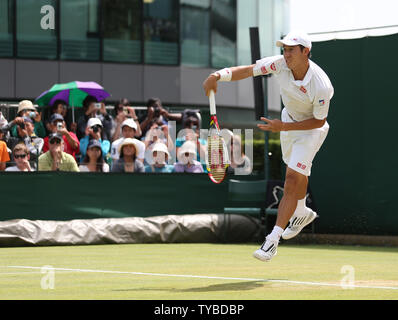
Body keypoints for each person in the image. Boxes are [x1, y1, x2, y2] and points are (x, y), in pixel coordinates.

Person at [203, 31, 334, 262]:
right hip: (287, 122)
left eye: (291, 49)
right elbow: (248, 70)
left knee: (292, 179)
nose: (286, 54)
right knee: (299, 174)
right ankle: (302, 211)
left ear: (306, 52)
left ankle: (272, 240)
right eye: (284, 49)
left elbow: (319, 120)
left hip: (310, 130)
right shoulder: (279, 64)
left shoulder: (321, 85)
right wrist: (218, 75)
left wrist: (282, 127)